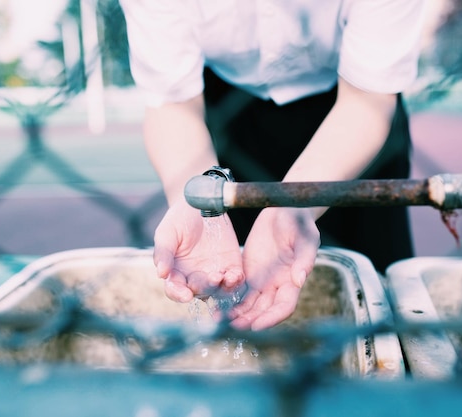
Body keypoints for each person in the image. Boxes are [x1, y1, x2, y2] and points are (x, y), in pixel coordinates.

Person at [120, 0, 426, 330]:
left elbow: (368, 100)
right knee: (239, 282)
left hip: (352, 114)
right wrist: (199, 200)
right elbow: (173, 103)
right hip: (224, 116)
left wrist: (293, 206)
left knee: (378, 296)